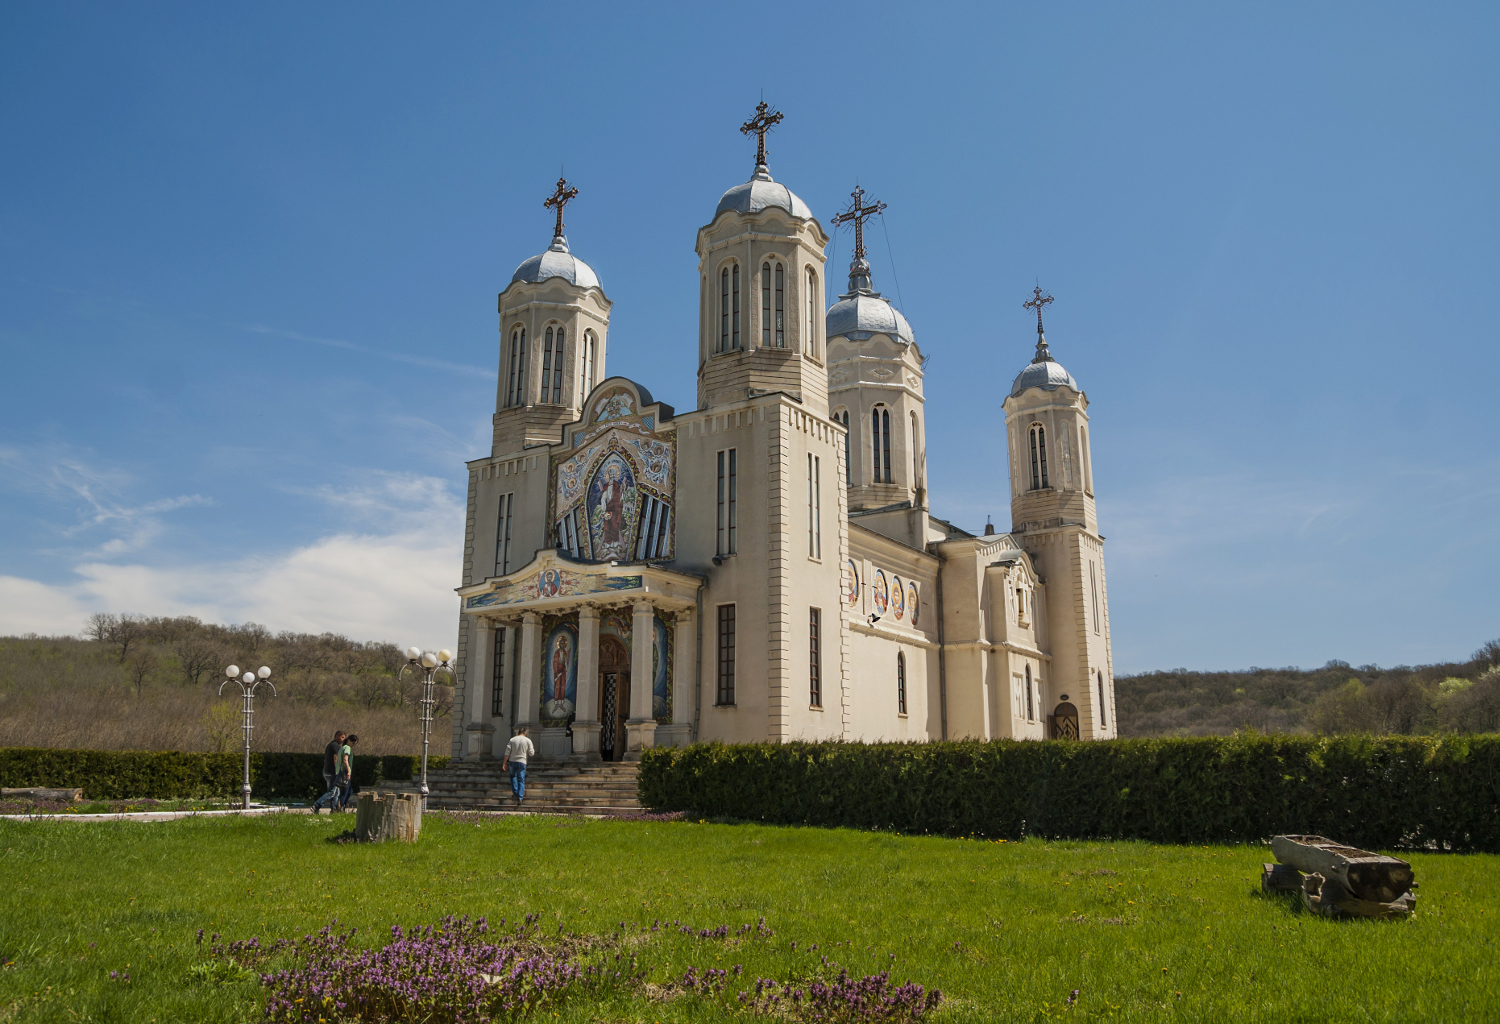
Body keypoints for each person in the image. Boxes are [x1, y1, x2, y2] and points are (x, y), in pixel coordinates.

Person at [312, 730, 346, 812]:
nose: (343, 739)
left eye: (344, 738)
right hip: (332, 772)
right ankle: (316, 805)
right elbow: (336, 760)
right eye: (342, 737)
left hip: (327, 771)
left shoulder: (331, 745)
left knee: (336, 792)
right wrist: (339, 772)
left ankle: (334, 810)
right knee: (331, 792)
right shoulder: (335, 746)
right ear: (336, 736)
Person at [501, 726, 534, 805]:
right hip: (522, 762)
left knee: (512, 777)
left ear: (518, 732)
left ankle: (515, 792)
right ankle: (519, 797)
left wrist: (504, 763)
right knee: (521, 779)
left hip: (512, 761)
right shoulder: (528, 740)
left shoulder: (512, 740)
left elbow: (507, 752)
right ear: (525, 733)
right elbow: (531, 753)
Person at [337, 735, 358, 810]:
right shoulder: (347, 748)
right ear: (348, 740)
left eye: (355, 743)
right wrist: (348, 772)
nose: (353, 745)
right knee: (345, 792)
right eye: (353, 742)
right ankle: (341, 807)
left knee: (349, 791)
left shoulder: (342, 748)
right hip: (344, 772)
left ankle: (341, 806)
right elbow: (345, 760)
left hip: (340, 771)